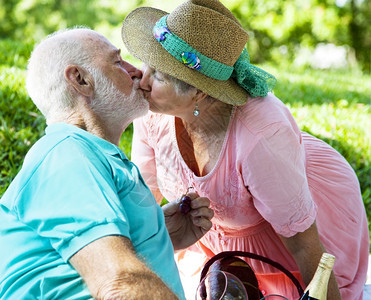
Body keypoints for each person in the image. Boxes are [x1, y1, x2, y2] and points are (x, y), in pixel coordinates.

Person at [121, 0, 370, 299]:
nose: (141, 81)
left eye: (158, 75)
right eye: (147, 64)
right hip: (211, 242)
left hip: (284, 237)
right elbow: (142, 207)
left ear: (200, 90)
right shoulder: (152, 113)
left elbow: (305, 245)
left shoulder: (260, 138)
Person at [0, 28, 214, 300]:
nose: (136, 71)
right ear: (80, 80)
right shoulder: (66, 154)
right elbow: (120, 284)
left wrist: (159, 235)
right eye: (117, 62)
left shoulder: (93, 155)